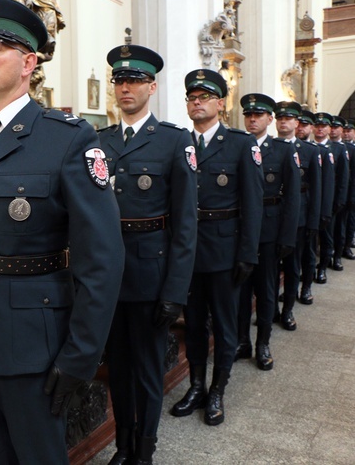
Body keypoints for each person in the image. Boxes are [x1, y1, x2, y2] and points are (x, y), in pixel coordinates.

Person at [0, 0, 125, 464]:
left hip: (35, 349)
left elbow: (102, 259)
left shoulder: (67, 138)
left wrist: (80, 356)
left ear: (28, 62)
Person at [98, 45, 197, 464]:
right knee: (117, 371)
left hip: (151, 278)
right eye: (119, 81)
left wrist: (174, 291)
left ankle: (144, 450)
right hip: (107, 278)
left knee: (147, 373)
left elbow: (185, 225)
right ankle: (123, 444)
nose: (126, 88)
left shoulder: (174, 142)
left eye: (135, 81)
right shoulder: (98, 141)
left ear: (152, 87)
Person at [170, 69, 263, 426]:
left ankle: (218, 390)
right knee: (193, 323)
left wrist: (247, 253)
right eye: (192, 98)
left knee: (225, 326)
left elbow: (253, 204)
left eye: (204, 97)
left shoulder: (241, 144)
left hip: (224, 252)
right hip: (187, 252)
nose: (197, 103)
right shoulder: (178, 142)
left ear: (220, 104)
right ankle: (196, 386)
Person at [235, 94, 299, 370]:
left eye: (258, 115)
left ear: (269, 119)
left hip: (269, 230)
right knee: (239, 289)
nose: (252, 119)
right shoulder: (236, 147)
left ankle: (262, 343)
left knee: (266, 288)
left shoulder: (283, 151)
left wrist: (287, 237)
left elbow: (293, 198)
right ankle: (241, 341)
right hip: (239, 230)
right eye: (248, 115)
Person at [275, 101, 321, 330]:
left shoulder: (310, 152)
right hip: (272, 215)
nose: (283, 122)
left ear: (296, 122)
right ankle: (271, 307)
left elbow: (316, 188)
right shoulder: (265, 147)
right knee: (270, 266)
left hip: (299, 216)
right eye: (280, 118)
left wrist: (314, 220)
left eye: (288, 118)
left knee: (293, 265)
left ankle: (288, 310)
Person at [312, 112, 348, 284]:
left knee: (327, 237)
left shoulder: (339, 149)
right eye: (317, 126)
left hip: (329, 202)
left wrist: (339, 201)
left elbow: (343, 178)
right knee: (309, 240)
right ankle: (308, 270)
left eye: (324, 126)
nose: (320, 129)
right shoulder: (307, 146)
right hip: (310, 202)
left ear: (329, 128)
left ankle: (322, 269)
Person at [329, 115, 353, 271]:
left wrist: (348, 197)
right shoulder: (322, 147)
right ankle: (327, 255)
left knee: (340, 228)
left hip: (342, 195)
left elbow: (349, 177)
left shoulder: (348, 149)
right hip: (327, 196)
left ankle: (338, 256)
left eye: (336, 128)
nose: (333, 131)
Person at [343, 119, 355, 260]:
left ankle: (347, 245)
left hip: (351, 190)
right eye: (344, 131)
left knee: (350, 220)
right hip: (340, 190)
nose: (346, 134)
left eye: (349, 131)